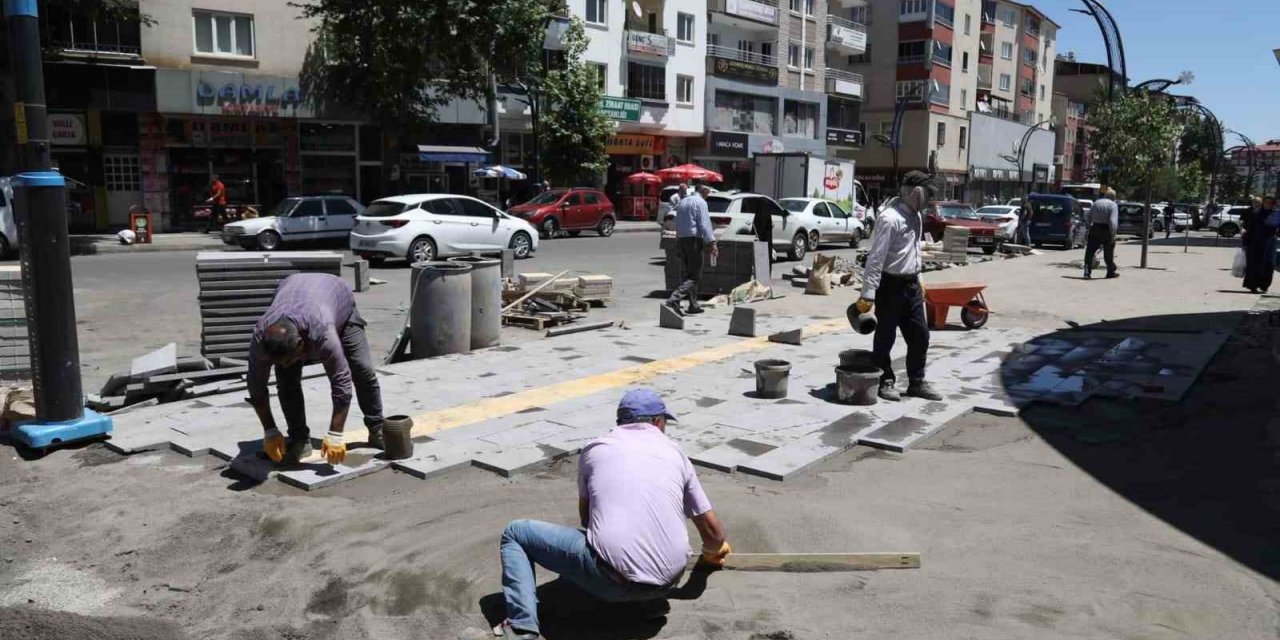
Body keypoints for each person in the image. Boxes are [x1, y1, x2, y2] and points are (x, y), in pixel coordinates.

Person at [494, 388, 730, 640]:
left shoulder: (595, 449)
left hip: (611, 582)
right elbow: (713, 532)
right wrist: (712, 554)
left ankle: (522, 628)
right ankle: (646, 603)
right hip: (668, 581)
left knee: (516, 533)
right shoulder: (675, 453)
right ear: (659, 422)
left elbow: (587, 519)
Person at [247, 273, 384, 466]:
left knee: (362, 368)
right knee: (286, 379)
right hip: (293, 290)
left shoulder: (323, 332)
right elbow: (256, 387)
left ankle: (377, 426)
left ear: (302, 344)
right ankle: (299, 439)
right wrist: (269, 430)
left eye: (290, 359)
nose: (286, 364)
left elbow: (341, 382)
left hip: (337, 298)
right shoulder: (261, 337)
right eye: (279, 361)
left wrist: (336, 433)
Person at [855, 170, 943, 403]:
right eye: (927, 195)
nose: (929, 202)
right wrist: (868, 294)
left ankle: (917, 382)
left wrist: (920, 280)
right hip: (890, 286)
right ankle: (885, 380)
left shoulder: (916, 216)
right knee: (885, 337)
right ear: (916, 193)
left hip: (911, 285)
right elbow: (876, 258)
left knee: (920, 336)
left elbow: (914, 251)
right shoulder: (889, 218)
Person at [666, 185, 716, 316]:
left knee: (687, 273)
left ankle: (693, 304)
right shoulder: (701, 202)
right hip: (693, 240)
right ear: (703, 191)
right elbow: (705, 223)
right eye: (708, 193)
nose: (708, 195)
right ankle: (675, 297)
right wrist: (712, 242)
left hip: (682, 240)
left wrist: (678, 243)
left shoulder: (683, 201)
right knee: (694, 276)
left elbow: (677, 223)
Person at [1242, 195, 1280, 293]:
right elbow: (1249, 229)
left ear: (1273, 204)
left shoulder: (1276, 215)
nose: (1267, 205)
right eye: (1266, 202)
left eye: (1270, 203)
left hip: (1270, 243)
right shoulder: (1256, 214)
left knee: (1269, 264)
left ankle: (1264, 285)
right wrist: (1245, 243)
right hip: (1255, 242)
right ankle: (1253, 285)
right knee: (1254, 264)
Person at [1083, 188, 1119, 279]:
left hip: (1095, 228)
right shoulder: (1113, 205)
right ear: (1113, 197)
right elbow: (1112, 221)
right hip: (1106, 229)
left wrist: (1088, 228)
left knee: (1090, 252)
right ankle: (1110, 272)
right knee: (1108, 253)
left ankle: (1087, 272)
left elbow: (1088, 217)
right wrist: (1113, 233)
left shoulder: (1096, 203)